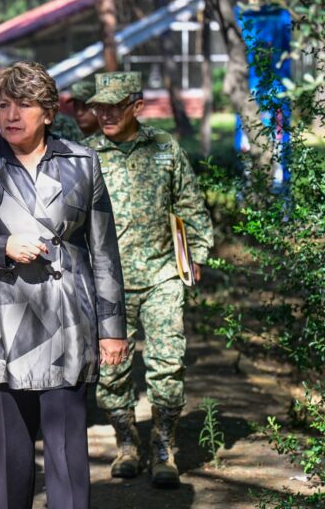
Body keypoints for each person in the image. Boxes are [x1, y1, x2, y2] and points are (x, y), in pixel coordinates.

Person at [0, 61, 127, 509]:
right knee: (11, 458)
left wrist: (112, 327)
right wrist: (0, 247)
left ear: (48, 112)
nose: (11, 114)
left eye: (24, 105)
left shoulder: (82, 162)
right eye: (4, 104)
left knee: (67, 458)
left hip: (68, 321)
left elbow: (104, 250)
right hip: (3, 325)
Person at [83, 72, 214, 488]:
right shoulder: (84, 155)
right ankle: (126, 441)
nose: (104, 113)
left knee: (167, 367)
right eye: (98, 106)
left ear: (136, 106)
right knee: (111, 372)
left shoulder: (163, 148)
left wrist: (198, 253)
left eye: (113, 106)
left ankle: (163, 447)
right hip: (108, 285)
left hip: (161, 276)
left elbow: (190, 203)